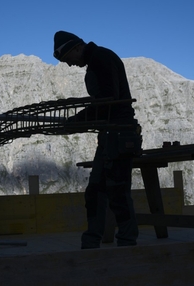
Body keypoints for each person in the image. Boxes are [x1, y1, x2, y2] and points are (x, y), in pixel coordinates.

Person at [53, 31, 142, 248]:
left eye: (68, 60)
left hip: (120, 133)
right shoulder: (96, 61)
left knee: (118, 191)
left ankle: (127, 244)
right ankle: (91, 242)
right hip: (110, 134)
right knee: (96, 190)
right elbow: (103, 104)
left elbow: (107, 102)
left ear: (76, 48)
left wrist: (76, 121)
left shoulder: (101, 58)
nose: (69, 65)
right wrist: (78, 121)